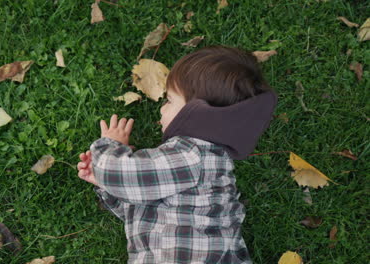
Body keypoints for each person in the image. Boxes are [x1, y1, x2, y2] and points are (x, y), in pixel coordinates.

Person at [76, 46, 278, 264]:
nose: (162, 109)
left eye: (170, 101)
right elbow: (144, 209)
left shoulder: (192, 155)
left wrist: (109, 147)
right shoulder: (199, 161)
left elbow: (117, 174)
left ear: (199, 113)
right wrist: (107, 186)